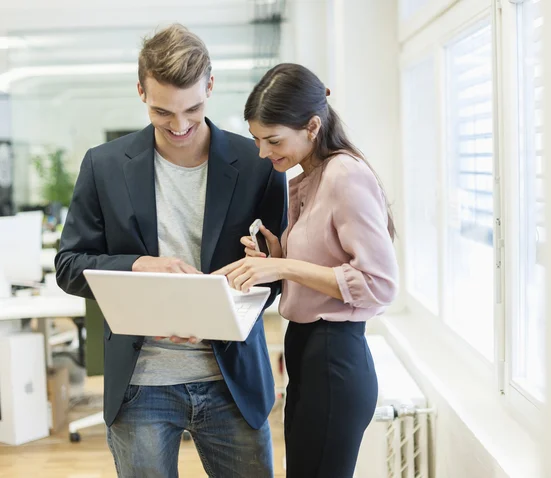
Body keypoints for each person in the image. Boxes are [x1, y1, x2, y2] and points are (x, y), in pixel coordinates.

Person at [55, 24, 287, 478]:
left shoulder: (259, 164)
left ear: (211, 86)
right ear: (140, 91)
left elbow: (277, 275)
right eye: (162, 112)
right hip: (141, 384)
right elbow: (69, 266)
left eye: (194, 109)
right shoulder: (102, 166)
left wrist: (258, 275)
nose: (179, 126)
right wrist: (141, 266)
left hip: (232, 380)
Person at [214, 63, 399, 478]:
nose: (263, 152)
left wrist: (286, 265)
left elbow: (380, 285)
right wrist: (276, 259)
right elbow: (324, 265)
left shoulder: (344, 175)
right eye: (257, 140)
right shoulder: (310, 178)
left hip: (334, 357)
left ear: (312, 125)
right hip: (308, 356)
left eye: (273, 140)